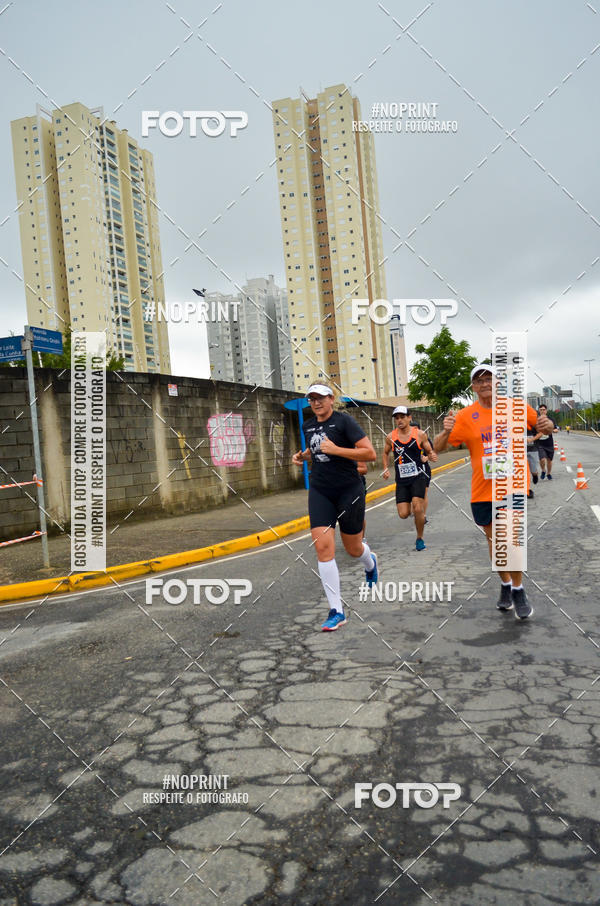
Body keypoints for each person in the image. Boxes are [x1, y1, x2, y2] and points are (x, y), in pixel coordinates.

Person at [433, 364, 555, 620]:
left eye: (489, 378)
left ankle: (519, 590)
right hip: (482, 490)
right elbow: (438, 449)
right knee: (496, 543)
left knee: (510, 540)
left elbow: (544, 428)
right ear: (473, 387)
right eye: (479, 381)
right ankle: (506, 583)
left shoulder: (516, 407)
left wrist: (547, 423)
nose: (485, 383)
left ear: (497, 382)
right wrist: (445, 430)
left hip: (513, 485)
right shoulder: (466, 416)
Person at [292, 382, 377, 631]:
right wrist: (303, 456)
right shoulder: (308, 425)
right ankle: (336, 610)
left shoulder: (344, 422)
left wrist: (337, 450)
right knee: (323, 547)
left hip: (348, 489)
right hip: (320, 490)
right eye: (311, 399)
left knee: (353, 548)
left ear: (331, 399)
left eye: (321, 398)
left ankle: (369, 561)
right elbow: (317, 450)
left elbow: (369, 453)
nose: (316, 403)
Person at [382, 406, 434, 551]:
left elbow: (429, 451)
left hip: (418, 476)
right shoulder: (391, 437)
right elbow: (385, 453)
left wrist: (430, 456)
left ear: (409, 418)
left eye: (402, 417)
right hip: (402, 480)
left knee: (417, 507)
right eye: (397, 418)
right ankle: (418, 514)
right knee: (403, 514)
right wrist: (385, 468)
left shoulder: (420, 435)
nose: (399, 420)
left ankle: (419, 538)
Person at [412, 420, 438, 523]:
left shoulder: (425, 439)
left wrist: (427, 458)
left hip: (423, 470)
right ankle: (416, 511)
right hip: (411, 471)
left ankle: (423, 515)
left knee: (423, 494)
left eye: (415, 430)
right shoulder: (405, 441)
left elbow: (433, 453)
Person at [536, 405, 557, 480]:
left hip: (549, 443)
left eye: (544, 409)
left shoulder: (551, 420)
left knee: (549, 460)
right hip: (540, 443)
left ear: (546, 411)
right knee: (542, 459)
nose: (542, 411)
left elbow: (556, 429)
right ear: (539, 411)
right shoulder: (536, 420)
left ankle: (548, 473)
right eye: (541, 410)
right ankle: (543, 470)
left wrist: (553, 430)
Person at [526, 426, 541, 498]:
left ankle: (535, 475)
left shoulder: (533, 422)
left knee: (533, 471)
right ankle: (527, 490)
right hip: (520, 450)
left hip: (533, 449)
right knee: (524, 472)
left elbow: (540, 433)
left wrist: (532, 439)